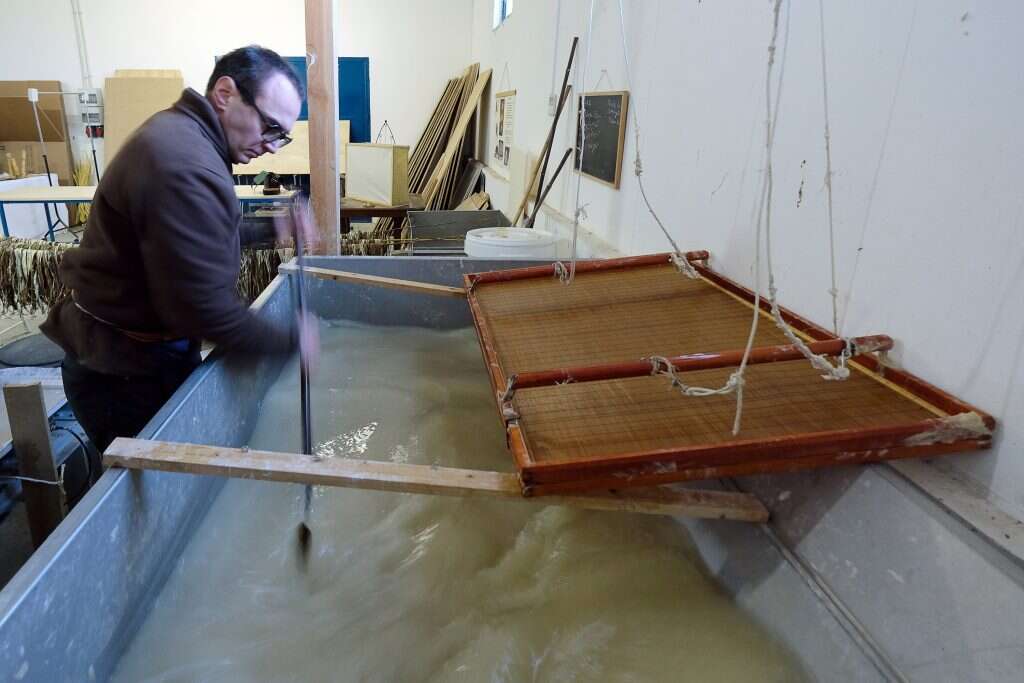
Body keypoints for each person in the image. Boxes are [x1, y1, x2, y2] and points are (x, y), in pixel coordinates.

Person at [42, 45, 318, 453]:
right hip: (125, 374)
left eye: (282, 135)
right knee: (151, 486)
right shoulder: (183, 161)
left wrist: (271, 228)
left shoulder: (187, 135)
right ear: (225, 94)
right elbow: (201, 308)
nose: (273, 146)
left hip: (134, 357)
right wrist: (292, 341)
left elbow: (187, 235)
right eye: (270, 127)